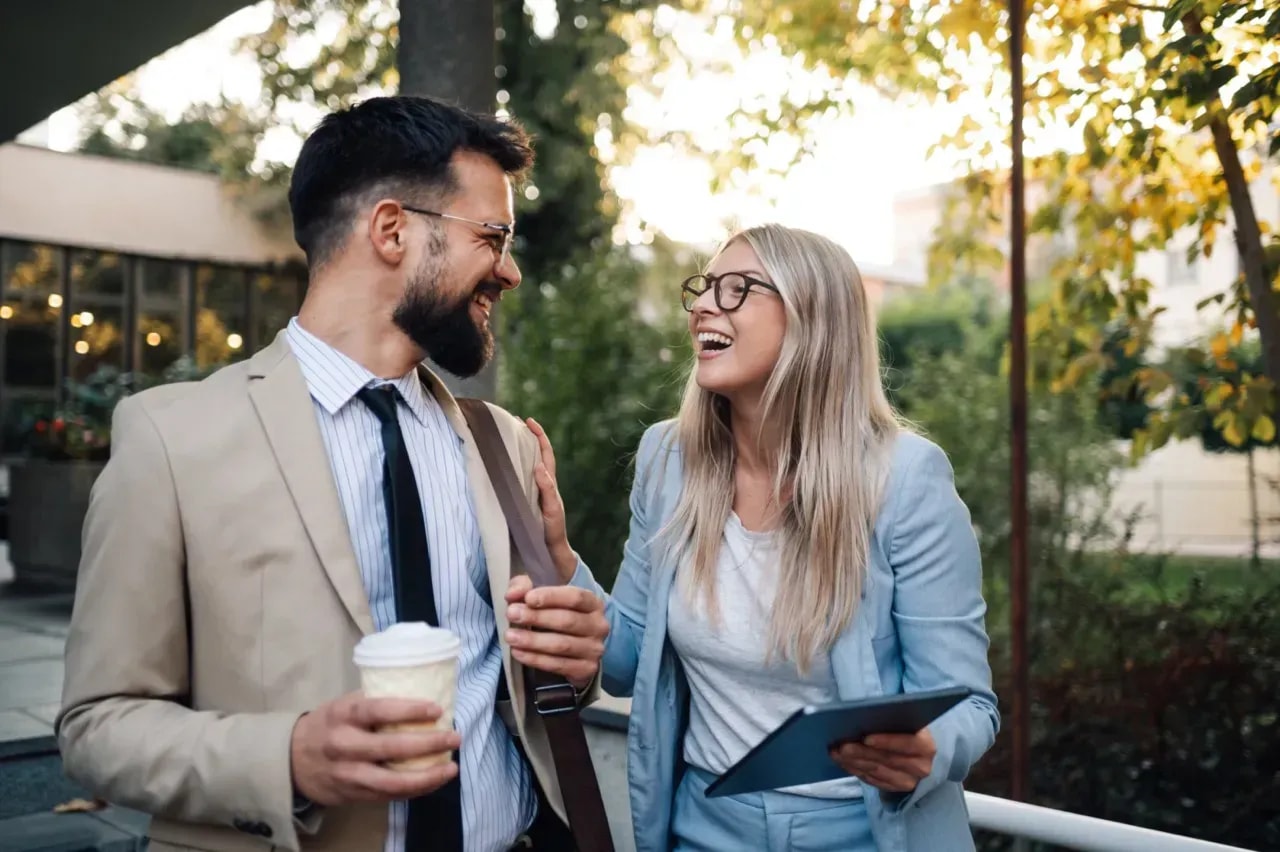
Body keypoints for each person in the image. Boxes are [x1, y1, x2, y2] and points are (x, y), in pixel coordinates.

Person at [57, 95, 609, 852]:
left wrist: (573, 665)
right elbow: (98, 725)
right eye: (493, 236)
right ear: (391, 230)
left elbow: (533, 684)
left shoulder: (503, 443)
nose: (508, 271)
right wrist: (285, 758)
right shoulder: (168, 439)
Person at [515, 224, 999, 851]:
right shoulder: (668, 459)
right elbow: (626, 662)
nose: (706, 306)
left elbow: (973, 709)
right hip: (703, 827)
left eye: (739, 289)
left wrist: (926, 751)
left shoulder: (904, 479)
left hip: (865, 835)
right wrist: (560, 551)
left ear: (812, 320)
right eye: (706, 287)